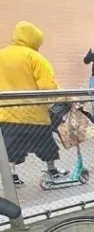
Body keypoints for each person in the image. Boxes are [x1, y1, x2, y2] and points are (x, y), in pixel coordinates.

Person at [0, 21, 64, 185]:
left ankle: (11, 175)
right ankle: (52, 170)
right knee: (45, 144)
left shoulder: (2, 55)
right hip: (34, 114)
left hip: (7, 113)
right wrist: (63, 99)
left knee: (10, 146)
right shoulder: (34, 58)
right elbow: (48, 86)